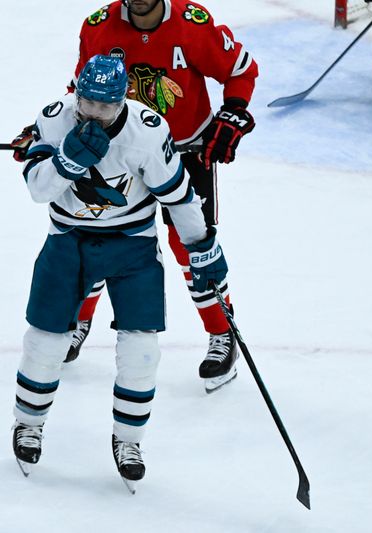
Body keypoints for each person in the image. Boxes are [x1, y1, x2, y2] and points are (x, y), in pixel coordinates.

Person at [12, 54, 228, 491]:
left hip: (132, 245)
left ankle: (129, 440)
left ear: (122, 100)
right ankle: (28, 425)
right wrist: (65, 163)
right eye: (86, 102)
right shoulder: (54, 120)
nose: (92, 113)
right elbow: (38, 190)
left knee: (142, 351)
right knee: (44, 341)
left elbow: (178, 194)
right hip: (67, 239)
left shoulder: (147, 132)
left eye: (103, 106)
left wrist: (201, 246)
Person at [59, 0, 257, 395]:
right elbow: (79, 93)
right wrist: (46, 136)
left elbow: (241, 71)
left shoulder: (191, 24)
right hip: (121, 154)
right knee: (101, 232)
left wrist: (233, 112)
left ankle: (222, 332)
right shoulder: (98, 26)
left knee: (192, 244)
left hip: (185, 151)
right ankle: (78, 322)